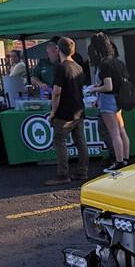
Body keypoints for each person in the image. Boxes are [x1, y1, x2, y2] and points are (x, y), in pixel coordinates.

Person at [45, 37, 88, 186]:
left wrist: (52, 113)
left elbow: (57, 92)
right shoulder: (78, 67)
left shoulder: (61, 67)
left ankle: (63, 174)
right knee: (80, 141)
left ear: (58, 49)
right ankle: (82, 171)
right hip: (79, 109)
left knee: (59, 141)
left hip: (65, 111)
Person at [87, 32, 130, 173]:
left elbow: (108, 86)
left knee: (114, 133)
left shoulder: (104, 64)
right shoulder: (118, 62)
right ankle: (125, 158)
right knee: (121, 130)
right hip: (119, 99)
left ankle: (119, 161)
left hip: (108, 100)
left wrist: (95, 89)